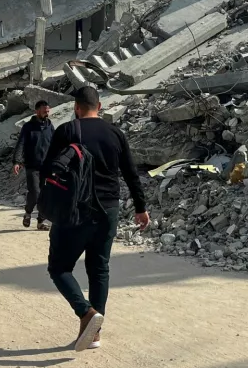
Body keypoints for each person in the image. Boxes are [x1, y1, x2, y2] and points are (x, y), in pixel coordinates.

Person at [45, 86, 149, 352]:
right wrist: (140, 207)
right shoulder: (116, 133)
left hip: (76, 210)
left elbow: (49, 170)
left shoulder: (67, 131)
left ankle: (86, 313)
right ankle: (95, 333)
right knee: (99, 269)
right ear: (99, 107)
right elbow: (130, 173)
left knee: (59, 268)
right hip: (109, 209)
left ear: (76, 108)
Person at [13, 99, 54, 230]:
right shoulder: (28, 127)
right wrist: (17, 161)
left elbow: (54, 145)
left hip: (46, 166)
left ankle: (41, 222)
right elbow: (21, 144)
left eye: (47, 111)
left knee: (46, 194)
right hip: (32, 166)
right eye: (44, 111)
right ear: (37, 111)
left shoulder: (50, 126)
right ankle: (28, 213)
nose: (46, 113)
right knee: (35, 192)